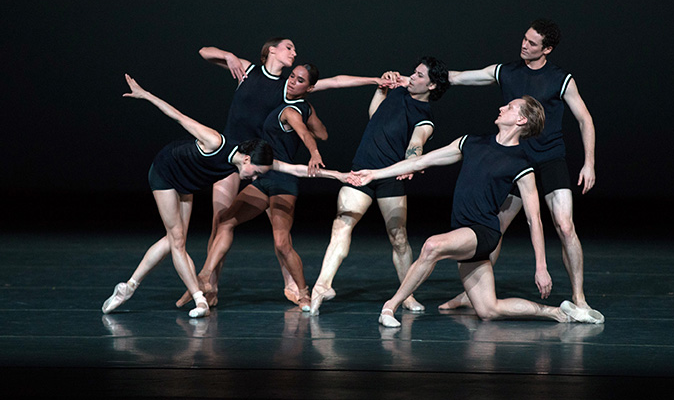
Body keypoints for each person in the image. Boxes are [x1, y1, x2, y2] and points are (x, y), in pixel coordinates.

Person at [348, 96, 604, 327]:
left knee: (431, 246)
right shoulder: (470, 142)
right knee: (488, 309)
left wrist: (541, 266)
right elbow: (421, 161)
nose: (502, 107)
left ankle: (389, 307)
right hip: (464, 230)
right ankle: (559, 313)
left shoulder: (522, 163)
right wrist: (374, 173)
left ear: (521, 119)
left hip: (483, 232)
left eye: (510, 107)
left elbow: (533, 218)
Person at [190, 40, 394, 309]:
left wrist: (374, 80)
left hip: (265, 164)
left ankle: (294, 286)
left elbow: (335, 82)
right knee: (221, 223)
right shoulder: (248, 69)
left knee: (280, 237)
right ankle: (208, 288)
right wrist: (228, 56)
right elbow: (204, 52)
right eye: (289, 47)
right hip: (233, 157)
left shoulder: (289, 88)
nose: (294, 52)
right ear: (271, 50)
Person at [443, 19, 599, 315]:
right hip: (516, 161)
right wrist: (424, 77)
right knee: (494, 229)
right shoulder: (507, 71)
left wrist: (589, 163)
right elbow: (460, 77)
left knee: (565, 227)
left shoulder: (560, 78)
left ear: (547, 49)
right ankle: (471, 292)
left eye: (532, 43)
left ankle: (579, 297)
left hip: (550, 159)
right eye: (524, 39)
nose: (524, 45)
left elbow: (585, 119)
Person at [102, 74, 274, 318]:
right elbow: (178, 116)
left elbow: (291, 168)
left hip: (186, 183)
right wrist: (145, 95)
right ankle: (199, 300)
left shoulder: (242, 164)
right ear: (247, 159)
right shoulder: (215, 141)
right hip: (165, 172)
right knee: (178, 240)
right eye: (255, 172)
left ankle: (127, 287)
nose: (255, 177)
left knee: (173, 240)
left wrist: (336, 176)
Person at [310, 56, 451, 315]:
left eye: (419, 75)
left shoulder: (424, 117)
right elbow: (375, 115)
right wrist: (381, 87)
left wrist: (413, 162)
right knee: (342, 223)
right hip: (361, 171)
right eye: (414, 72)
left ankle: (407, 295)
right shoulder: (398, 92)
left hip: (389, 177)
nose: (413, 77)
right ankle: (322, 286)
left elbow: (416, 143)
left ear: (431, 86)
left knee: (398, 237)